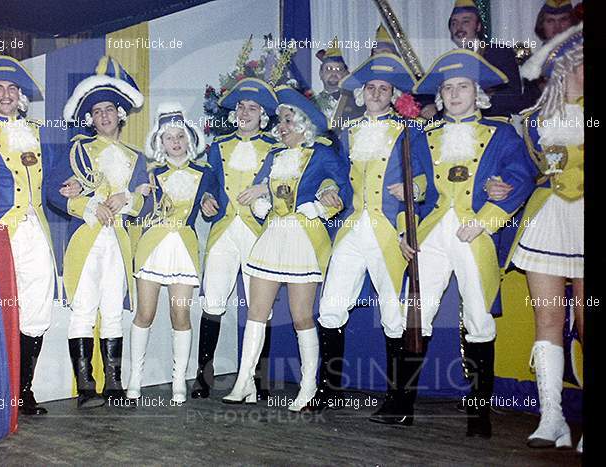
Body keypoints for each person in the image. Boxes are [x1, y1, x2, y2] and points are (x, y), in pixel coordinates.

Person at [402, 49, 535, 437]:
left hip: (474, 232)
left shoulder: (501, 133)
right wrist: (412, 190)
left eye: (463, 86)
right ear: (440, 96)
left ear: (477, 94)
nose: (456, 93)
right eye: (448, 87)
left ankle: (479, 415)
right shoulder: (424, 136)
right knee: (417, 314)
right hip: (433, 232)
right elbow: (420, 182)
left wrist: (488, 217)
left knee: (477, 318)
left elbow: (520, 178)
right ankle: (404, 405)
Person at [223, 86, 351, 411]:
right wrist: (259, 205)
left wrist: (323, 207)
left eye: (288, 120)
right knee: (256, 312)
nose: (281, 126)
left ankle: (308, 387)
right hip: (272, 236)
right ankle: (244, 381)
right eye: (280, 120)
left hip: (304, 238)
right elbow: (259, 193)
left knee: (301, 316)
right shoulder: (273, 156)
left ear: (304, 123)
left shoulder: (321, 153)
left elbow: (340, 188)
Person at [309, 52, 423, 417]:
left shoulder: (408, 131)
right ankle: (330, 389)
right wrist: (329, 187)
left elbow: (423, 179)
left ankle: (399, 400)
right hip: (352, 228)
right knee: (330, 307)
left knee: (393, 313)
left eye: (382, 88)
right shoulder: (349, 131)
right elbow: (337, 174)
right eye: (370, 87)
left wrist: (413, 190)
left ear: (393, 94)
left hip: (389, 229)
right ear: (362, 93)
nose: (375, 93)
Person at [46, 56, 148, 408]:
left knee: (113, 310)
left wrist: (126, 198)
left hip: (119, 241)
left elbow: (148, 205)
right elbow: (53, 192)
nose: (105, 116)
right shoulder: (78, 149)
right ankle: (86, 384)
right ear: (90, 117)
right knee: (84, 308)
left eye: (110, 109)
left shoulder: (138, 158)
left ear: (121, 114)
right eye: (98, 111)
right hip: (86, 238)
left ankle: (114, 382)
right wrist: (89, 206)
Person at [507, 24, 583, 452]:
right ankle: (552, 417)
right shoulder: (535, 118)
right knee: (549, 320)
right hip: (549, 220)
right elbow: (523, 171)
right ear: (562, 66)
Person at [0, 55, 54, 416]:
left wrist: (71, 189)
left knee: (38, 304)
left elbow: (56, 183)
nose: (6, 94)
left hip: (35, 230)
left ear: (20, 97)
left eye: (12, 89)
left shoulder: (38, 132)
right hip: (0, 230)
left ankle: (23, 389)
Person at [193, 78, 278, 400]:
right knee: (213, 302)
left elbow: (288, 183)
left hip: (259, 234)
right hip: (224, 232)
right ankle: (204, 376)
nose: (245, 112)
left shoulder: (275, 148)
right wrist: (206, 200)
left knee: (261, 307)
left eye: (252, 108)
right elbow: (209, 183)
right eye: (240, 107)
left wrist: (265, 188)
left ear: (263, 115)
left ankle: (260, 377)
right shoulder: (219, 146)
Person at [127, 103, 214, 404]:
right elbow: (135, 210)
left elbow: (214, 203)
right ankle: (134, 380)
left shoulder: (205, 171)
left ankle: (179, 381)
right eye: (169, 137)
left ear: (189, 138)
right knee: (145, 313)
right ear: (159, 142)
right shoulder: (150, 172)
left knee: (180, 314)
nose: (175, 142)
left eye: (180, 136)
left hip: (184, 250)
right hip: (152, 247)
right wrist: (139, 195)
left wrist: (208, 205)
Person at [420, 0, 526, 119]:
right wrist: (431, 105)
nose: (459, 28)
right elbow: (427, 91)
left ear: (478, 26)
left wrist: (472, 101)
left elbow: (515, 98)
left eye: (465, 22)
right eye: (454, 23)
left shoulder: (500, 52)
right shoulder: (448, 61)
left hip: (495, 128)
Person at [313, 39, 365, 130]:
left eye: (339, 69)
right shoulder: (312, 103)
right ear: (321, 73)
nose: (333, 73)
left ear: (345, 73)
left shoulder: (359, 101)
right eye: (328, 69)